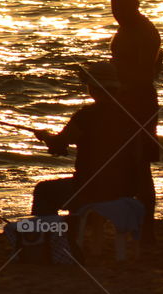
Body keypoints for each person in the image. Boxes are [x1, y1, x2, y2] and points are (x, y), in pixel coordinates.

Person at [32, 63, 146, 217]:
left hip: (91, 189)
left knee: (43, 190)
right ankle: (79, 230)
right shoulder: (133, 114)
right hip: (127, 189)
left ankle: (47, 238)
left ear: (92, 88)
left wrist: (45, 137)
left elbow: (58, 145)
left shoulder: (85, 116)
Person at [109, 0, 162, 241]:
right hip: (130, 99)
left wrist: (116, 82)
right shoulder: (130, 28)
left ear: (135, 4)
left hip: (139, 101)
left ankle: (147, 227)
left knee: (140, 162)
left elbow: (142, 71)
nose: (115, 12)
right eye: (113, 6)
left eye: (120, 6)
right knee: (129, 162)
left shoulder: (142, 31)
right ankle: (135, 223)